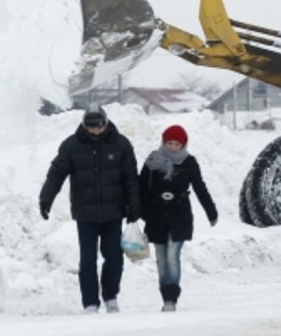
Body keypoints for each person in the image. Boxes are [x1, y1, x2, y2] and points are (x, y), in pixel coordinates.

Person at [39, 105, 142, 314]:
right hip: (85, 214)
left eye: (99, 126)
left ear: (105, 123)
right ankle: (90, 302)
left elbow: (131, 179)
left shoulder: (121, 145)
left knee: (114, 257)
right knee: (87, 260)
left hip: (114, 212)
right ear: (84, 125)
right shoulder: (71, 146)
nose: (95, 130)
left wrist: (134, 207)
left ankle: (110, 296)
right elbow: (56, 174)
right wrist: (46, 198)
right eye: (91, 127)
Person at [139, 124, 218, 312]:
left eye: (177, 144)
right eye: (169, 143)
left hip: (179, 214)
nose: (173, 147)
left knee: (173, 256)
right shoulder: (152, 160)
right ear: (163, 142)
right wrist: (139, 211)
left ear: (183, 145)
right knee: (161, 258)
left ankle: (171, 299)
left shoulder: (189, 162)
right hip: (156, 215)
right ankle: (165, 295)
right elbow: (141, 187)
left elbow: (200, 187)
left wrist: (211, 211)